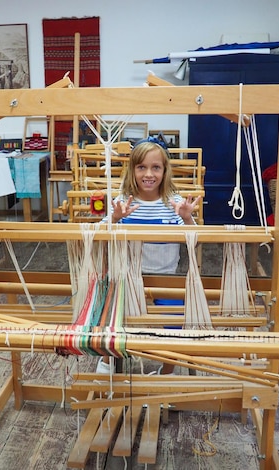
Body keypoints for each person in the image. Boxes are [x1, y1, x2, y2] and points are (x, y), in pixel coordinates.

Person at [96, 137, 201, 374]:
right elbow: (100, 234)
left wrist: (185, 218)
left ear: (165, 171)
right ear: (132, 170)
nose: (148, 174)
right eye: (141, 167)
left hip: (165, 278)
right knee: (109, 315)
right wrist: (114, 219)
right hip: (126, 278)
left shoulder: (173, 203)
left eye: (155, 167)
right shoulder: (123, 202)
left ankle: (168, 367)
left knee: (174, 324)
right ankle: (107, 360)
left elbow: (193, 242)